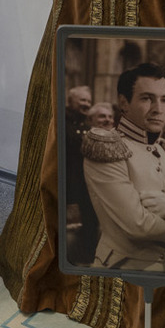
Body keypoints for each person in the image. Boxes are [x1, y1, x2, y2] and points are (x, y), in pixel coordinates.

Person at [81, 64, 165, 274]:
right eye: (147, 98)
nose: (158, 109)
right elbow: (138, 225)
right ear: (123, 103)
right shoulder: (108, 148)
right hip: (123, 272)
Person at [63, 85, 98, 264]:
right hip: (69, 186)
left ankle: (86, 262)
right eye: (82, 100)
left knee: (89, 226)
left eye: (89, 101)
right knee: (70, 231)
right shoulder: (63, 123)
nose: (86, 104)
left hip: (86, 187)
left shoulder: (86, 126)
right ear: (70, 101)